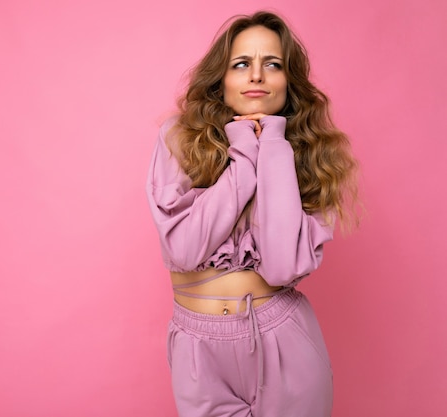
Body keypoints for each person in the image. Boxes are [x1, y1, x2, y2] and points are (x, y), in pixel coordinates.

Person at [146, 11, 358, 417]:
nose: (256, 76)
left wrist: (274, 143)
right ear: (220, 79)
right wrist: (243, 153)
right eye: (241, 64)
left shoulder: (314, 156)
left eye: (272, 65)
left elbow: (281, 266)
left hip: (285, 344)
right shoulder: (177, 138)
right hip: (198, 353)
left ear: (288, 81)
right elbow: (184, 249)